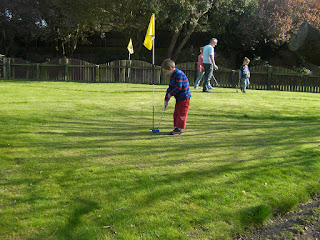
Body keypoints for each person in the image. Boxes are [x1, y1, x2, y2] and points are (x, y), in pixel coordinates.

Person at [162, 58, 191, 135]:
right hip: (179, 98)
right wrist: (166, 99)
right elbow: (170, 88)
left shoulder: (179, 74)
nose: (165, 74)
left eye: (166, 72)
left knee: (182, 112)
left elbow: (179, 87)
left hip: (184, 97)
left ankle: (180, 129)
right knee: (176, 113)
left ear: (171, 68)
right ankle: (177, 128)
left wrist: (171, 94)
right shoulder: (172, 76)